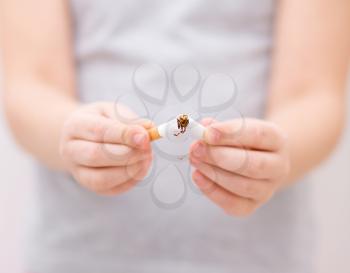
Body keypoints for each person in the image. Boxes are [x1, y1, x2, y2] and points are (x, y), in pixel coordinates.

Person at [1, 0, 349, 272]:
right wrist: (76, 135)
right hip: (77, 255)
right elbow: (30, 86)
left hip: (256, 259)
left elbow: (314, 95)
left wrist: (273, 156)